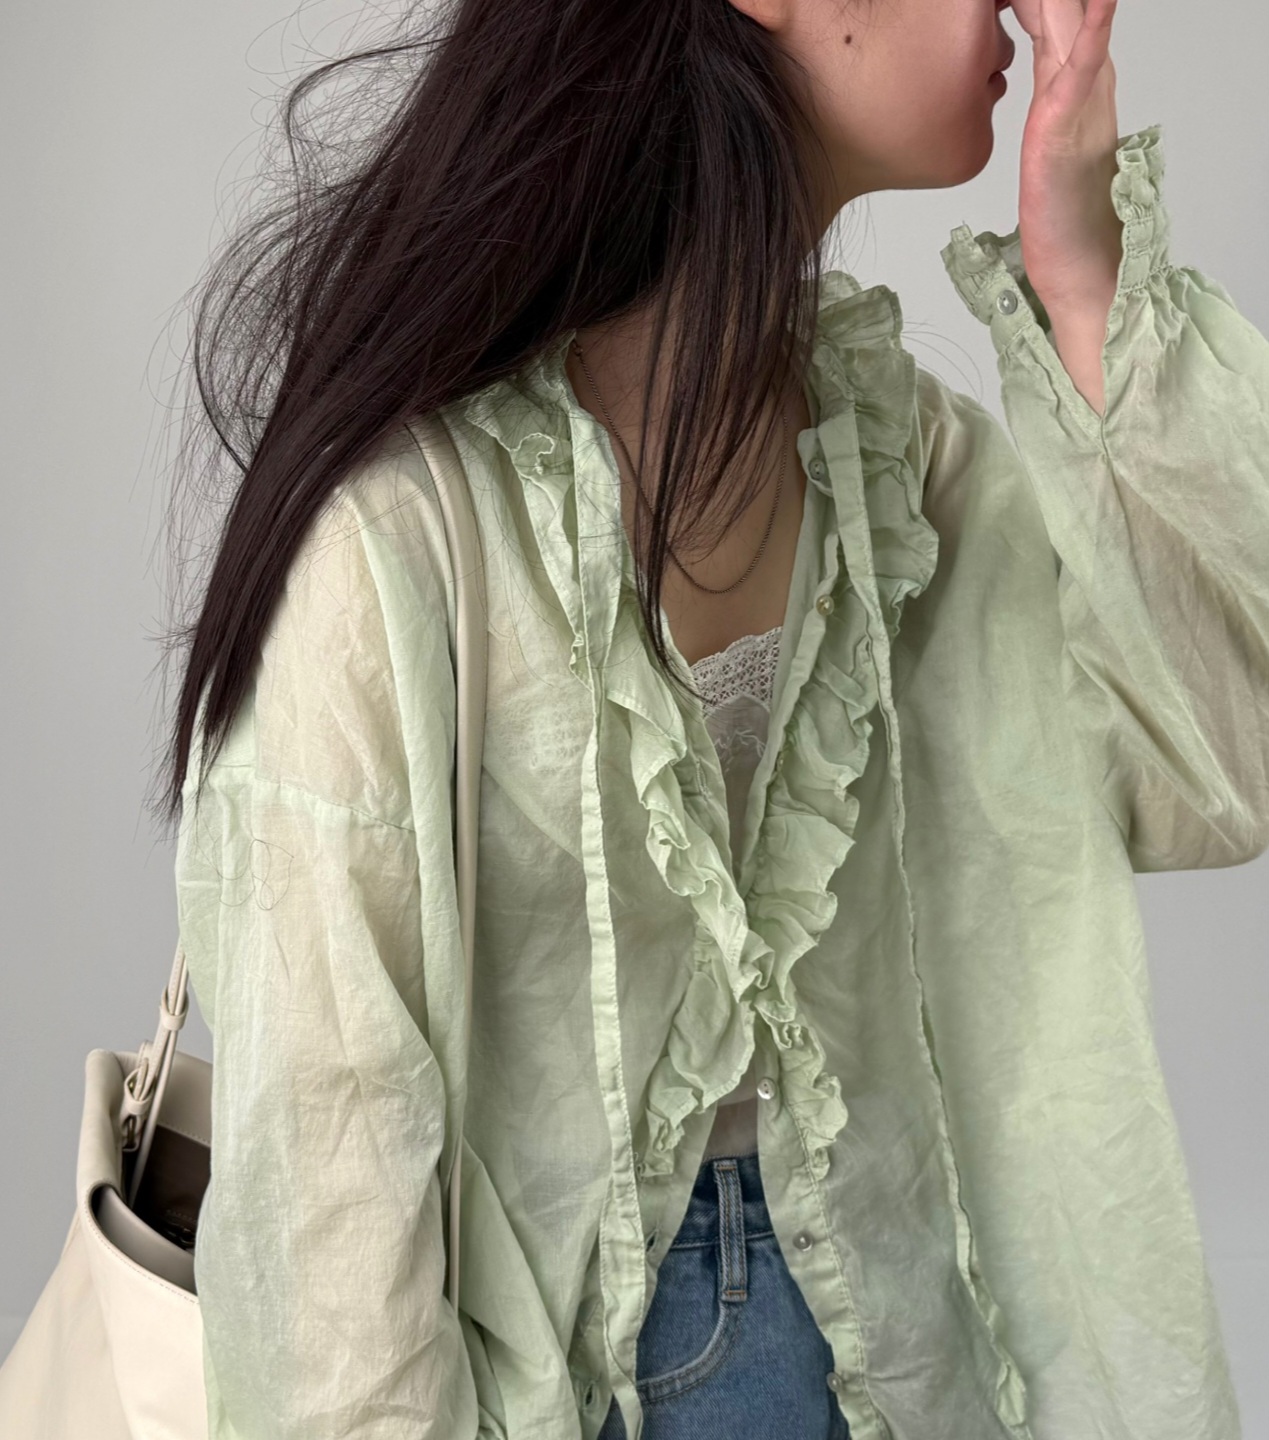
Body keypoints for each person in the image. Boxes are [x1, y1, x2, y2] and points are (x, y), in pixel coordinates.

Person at [155, 0, 1269, 1436]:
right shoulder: (406, 532)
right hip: (552, 1384)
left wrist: (1088, 285)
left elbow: (1212, 759)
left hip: (901, 1345)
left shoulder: (901, 466)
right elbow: (331, 1197)